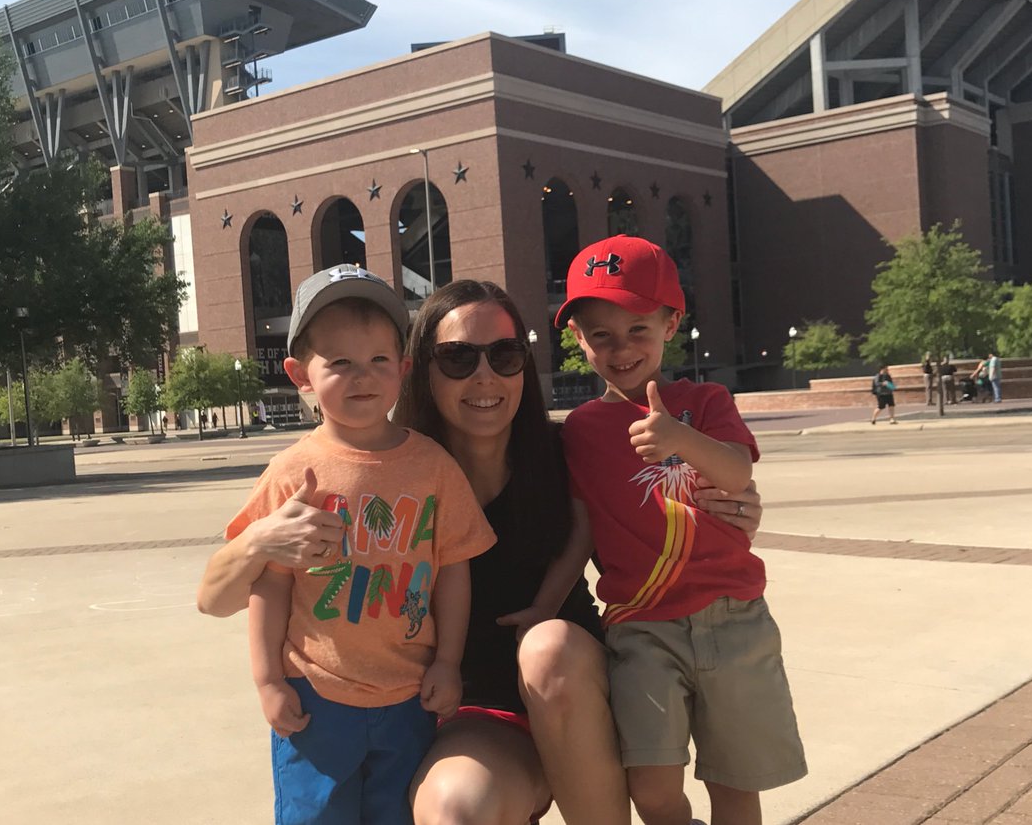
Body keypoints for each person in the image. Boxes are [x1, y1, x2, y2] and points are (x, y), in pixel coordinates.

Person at [198, 277, 765, 824]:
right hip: (471, 715)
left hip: (584, 697)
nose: (485, 375)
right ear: (420, 368)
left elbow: (660, 513)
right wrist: (257, 539)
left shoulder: (569, 449)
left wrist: (735, 505)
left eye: (505, 354)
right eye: (459, 359)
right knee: (453, 809)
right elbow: (216, 600)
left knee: (548, 648)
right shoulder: (391, 468)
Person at [218, 265, 496, 824]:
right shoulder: (290, 472)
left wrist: (448, 661)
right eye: (339, 362)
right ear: (300, 373)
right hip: (314, 700)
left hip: (409, 695)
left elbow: (452, 573)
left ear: (404, 368)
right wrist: (268, 679)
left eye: (378, 360)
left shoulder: (434, 468)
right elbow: (268, 584)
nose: (362, 376)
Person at [548, 236, 805, 825]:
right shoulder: (581, 430)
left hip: (734, 616)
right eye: (600, 335)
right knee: (653, 788)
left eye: (638, 329)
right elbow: (581, 530)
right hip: (642, 626)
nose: (621, 349)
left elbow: (738, 472)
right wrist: (543, 604)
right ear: (580, 340)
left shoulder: (707, 400)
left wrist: (680, 439)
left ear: (671, 323)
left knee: (737, 785)